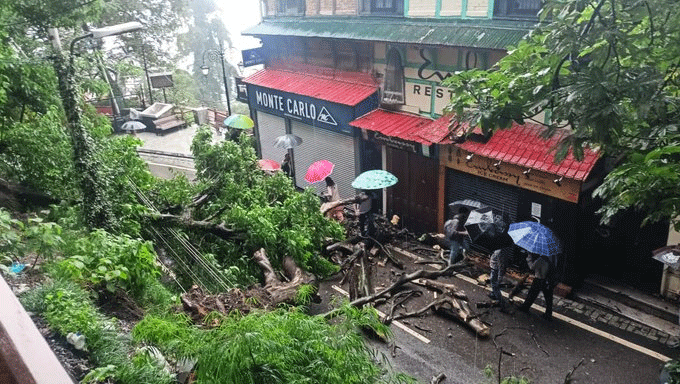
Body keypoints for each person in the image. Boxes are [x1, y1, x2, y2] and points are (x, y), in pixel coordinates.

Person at [518, 253, 556, 320]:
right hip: (548, 280)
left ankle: (525, 307)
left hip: (539, 279)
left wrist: (528, 259)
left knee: (532, 294)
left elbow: (532, 267)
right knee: (548, 297)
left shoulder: (541, 259)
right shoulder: (553, 257)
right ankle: (548, 313)